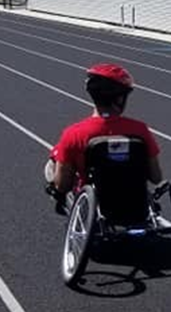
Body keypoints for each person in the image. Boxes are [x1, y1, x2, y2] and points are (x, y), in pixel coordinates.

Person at [44, 63, 162, 211]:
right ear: (120, 99)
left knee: (54, 160)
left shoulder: (73, 133)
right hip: (134, 198)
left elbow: (62, 185)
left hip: (94, 202)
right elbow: (156, 177)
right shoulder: (140, 130)